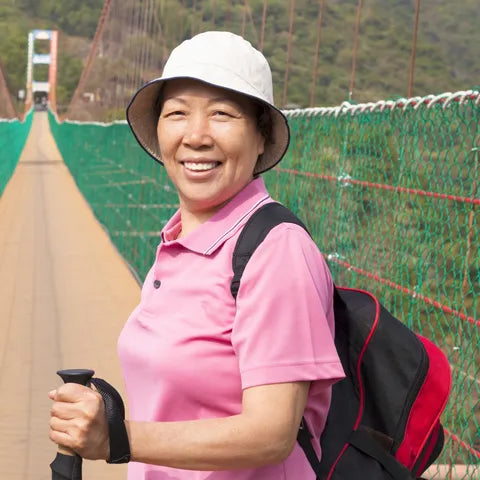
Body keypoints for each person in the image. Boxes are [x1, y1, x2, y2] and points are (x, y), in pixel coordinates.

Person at [48, 31, 345, 479]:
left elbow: (272, 433)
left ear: (261, 136)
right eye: (177, 114)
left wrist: (117, 437)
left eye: (222, 114)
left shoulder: (275, 249)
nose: (196, 136)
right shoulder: (178, 239)